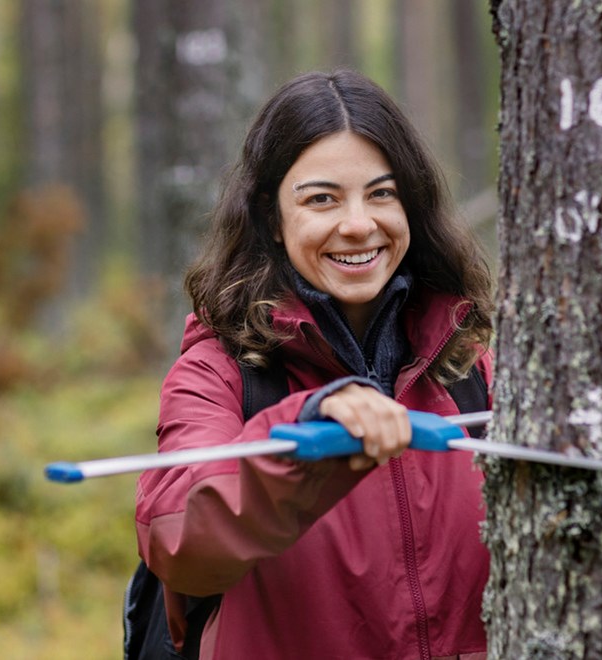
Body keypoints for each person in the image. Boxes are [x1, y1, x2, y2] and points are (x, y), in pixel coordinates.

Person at [135, 69, 495, 659]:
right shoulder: (218, 374)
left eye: (382, 193)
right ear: (272, 220)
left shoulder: (470, 368)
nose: (358, 224)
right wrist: (307, 431)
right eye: (321, 199)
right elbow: (182, 541)